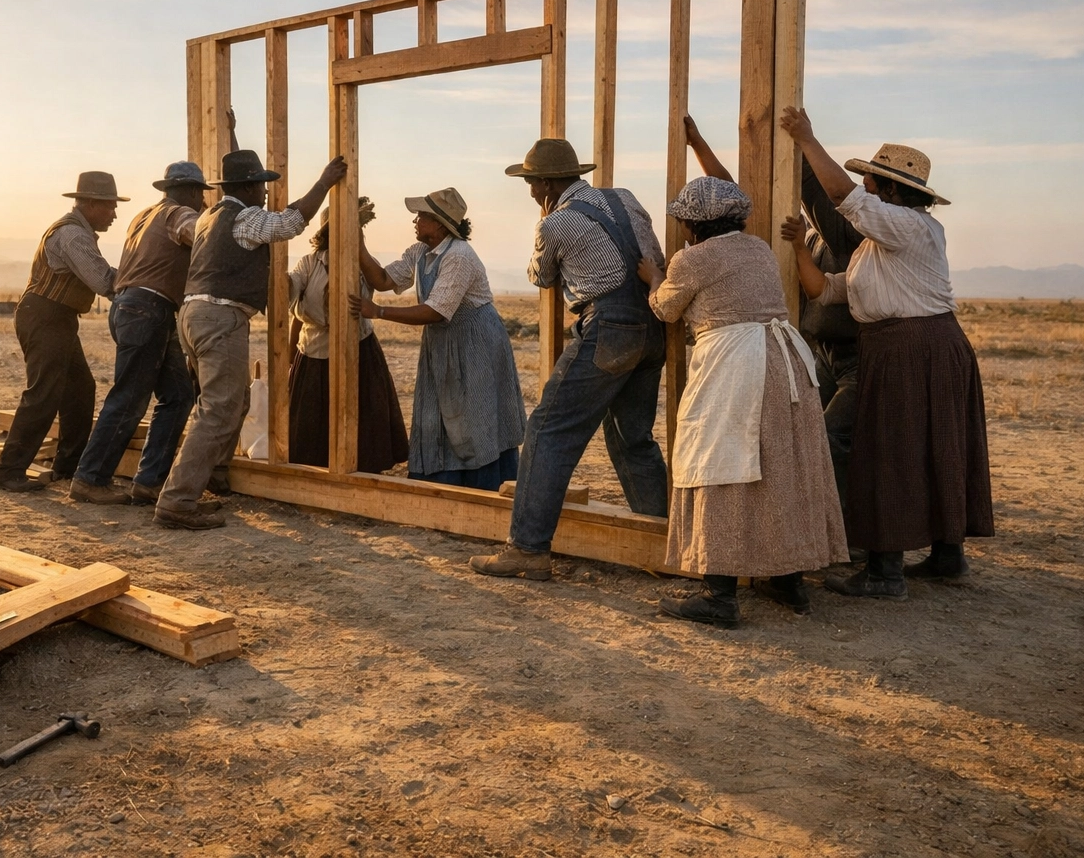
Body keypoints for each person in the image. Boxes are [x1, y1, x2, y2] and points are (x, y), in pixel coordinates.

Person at [780, 106, 993, 597]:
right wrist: (796, 250)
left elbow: (840, 195)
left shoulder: (907, 225)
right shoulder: (882, 243)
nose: (866, 191)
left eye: (874, 184)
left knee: (888, 453)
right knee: (931, 448)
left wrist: (808, 139)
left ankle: (884, 572)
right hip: (916, 346)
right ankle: (945, 556)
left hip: (912, 346)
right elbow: (826, 292)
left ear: (895, 192)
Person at [637, 169, 848, 626]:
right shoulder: (759, 249)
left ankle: (719, 594)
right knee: (780, 465)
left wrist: (653, 278)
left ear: (693, 224)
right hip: (787, 359)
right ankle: (787, 580)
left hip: (737, 363)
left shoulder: (690, 260)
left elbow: (666, 309)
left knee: (721, 463)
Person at [470, 138, 668, 583]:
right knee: (632, 437)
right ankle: (664, 543)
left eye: (530, 182)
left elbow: (540, 277)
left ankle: (527, 548)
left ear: (543, 184)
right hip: (654, 325)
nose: (529, 190)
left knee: (547, 430)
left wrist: (545, 226)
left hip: (609, 327)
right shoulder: (624, 198)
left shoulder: (556, 223)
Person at [684, 117, 865, 543]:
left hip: (857, 354)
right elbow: (733, 201)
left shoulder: (850, 232)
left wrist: (799, 144)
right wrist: (699, 144)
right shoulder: (807, 233)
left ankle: (839, 538)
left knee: (832, 441)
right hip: (817, 353)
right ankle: (812, 536)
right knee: (808, 442)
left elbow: (822, 194)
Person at [153, 147, 348, 529]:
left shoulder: (212, 216)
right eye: (259, 186)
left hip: (194, 315)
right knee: (217, 410)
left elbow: (268, 222)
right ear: (246, 187)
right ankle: (177, 501)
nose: (264, 194)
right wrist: (323, 183)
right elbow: (290, 222)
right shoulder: (244, 219)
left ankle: (213, 474)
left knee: (232, 402)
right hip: (220, 316)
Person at [352, 187, 526, 490]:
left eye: (422, 216)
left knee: (475, 415)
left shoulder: (459, 256)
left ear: (441, 224)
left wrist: (377, 312)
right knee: (438, 413)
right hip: (444, 344)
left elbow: (435, 312)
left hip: (476, 344)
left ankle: (482, 487)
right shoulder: (420, 252)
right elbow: (381, 279)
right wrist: (357, 241)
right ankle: (441, 484)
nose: (416, 221)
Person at [69, 160, 212, 505]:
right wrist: (217, 227)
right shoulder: (179, 214)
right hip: (148, 309)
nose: (203, 203)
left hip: (134, 308)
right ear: (193, 192)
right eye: (202, 196)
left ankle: (149, 482)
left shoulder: (145, 215)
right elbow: (198, 233)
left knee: (178, 395)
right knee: (130, 398)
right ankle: (89, 478)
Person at [0, 170, 125, 493]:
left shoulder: (78, 231)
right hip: (45, 316)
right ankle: (8, 470)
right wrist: (145, 277)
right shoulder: (73, 236)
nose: (114, 213)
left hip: (57, 317)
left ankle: (67, 467)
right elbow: (104, 281)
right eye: (109, 206)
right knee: (44, 392)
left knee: (80, 389)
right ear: (91, 204)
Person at [286, 196, 409, 473]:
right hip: (316, 351)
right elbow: (293, 296)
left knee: (364, 416)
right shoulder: (308, 264)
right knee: (312, 420)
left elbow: (380, 280)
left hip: (359, 349)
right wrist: (290, 353)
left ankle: (362, 472)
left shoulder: (363, 264)